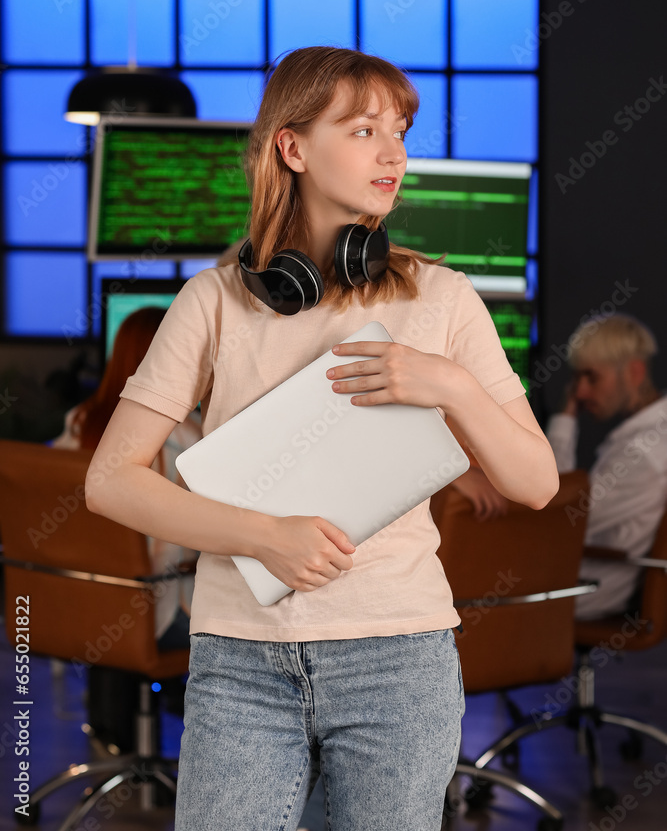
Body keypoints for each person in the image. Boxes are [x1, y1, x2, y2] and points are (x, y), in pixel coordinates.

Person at [85, 46, 559, 831]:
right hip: (241, 658)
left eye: (400, 130)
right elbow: (111, 480)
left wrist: (447, 385)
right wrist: (262, 535)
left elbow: (535, 482)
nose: (393, 151)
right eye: (364, 128)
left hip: (398, 656)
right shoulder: (210, 299)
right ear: (292, 146)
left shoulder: (442, 296)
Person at [52, 306, 201, 747]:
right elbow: (184, 543)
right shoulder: (188, 436)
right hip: (152, 613)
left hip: (82, 606)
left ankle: (114, 737)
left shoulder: (79, 422)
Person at [546, 314, 667, 621]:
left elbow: (554, 520)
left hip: (585, 592)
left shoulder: (642, 453)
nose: (580, 392)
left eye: (591, 377)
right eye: (577, 380)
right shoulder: (653, 436)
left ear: (634, 373)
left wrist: (565, 418)